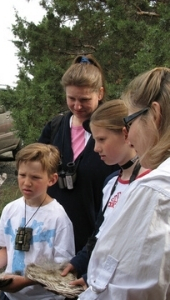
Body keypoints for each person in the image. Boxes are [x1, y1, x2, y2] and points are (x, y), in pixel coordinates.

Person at [78, 67, 170, 299]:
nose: (129, 133)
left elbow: (124, 289)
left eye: (130, 121)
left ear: (155, 115)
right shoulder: (115, 183)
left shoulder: (155, 190)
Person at [60, 99, 150, 289]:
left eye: (101, 139)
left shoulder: (149, 184)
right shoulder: (111, 182)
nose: (95, 148)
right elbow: (101, 233)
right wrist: (80, 263)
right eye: (94, 140)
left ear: (126, 134)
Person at [38, 54, 119, 253]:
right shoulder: (55, 127)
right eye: (71, 98)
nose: (77, 106)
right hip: (52, 236)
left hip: (96, 240)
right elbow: (33, 169)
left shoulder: (115, 131)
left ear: (100, 93)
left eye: (84, 99)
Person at [0, 143, 75, 300]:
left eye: (35, 177)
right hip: (9, 295)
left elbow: (62, 267)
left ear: (52, 179)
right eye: (22, 175)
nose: (27, 182)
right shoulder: (10, 209)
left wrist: (25, 281)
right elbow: (7, 249)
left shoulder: (58, 218)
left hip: (44, 297)